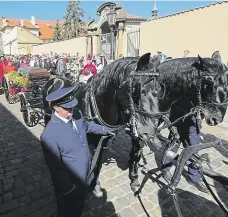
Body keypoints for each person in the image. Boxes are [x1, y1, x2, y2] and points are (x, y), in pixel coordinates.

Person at [40, 86, 114, 217]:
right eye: (67, 108)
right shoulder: (49, 135)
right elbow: (56, 168)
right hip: (73, 185)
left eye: (72, 106)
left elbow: (86, 126)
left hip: (87, 174)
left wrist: (104, 129)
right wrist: (69, 189)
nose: (71, 110)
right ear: (56, 107)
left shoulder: (76, 114)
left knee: (80, 208)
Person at [161, 115, 209, 193]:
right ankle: (165, 169)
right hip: (179, 118)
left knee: (193, 150)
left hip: (194, 122)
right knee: (172, 147)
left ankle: (194, 178)